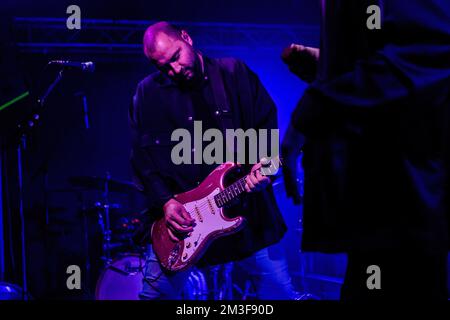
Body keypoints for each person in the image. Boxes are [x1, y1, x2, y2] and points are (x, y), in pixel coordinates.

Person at [281, 0, 450, 300]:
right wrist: (330, 67)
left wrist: (312, 110)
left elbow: (428, 52)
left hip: (402, 199)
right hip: (376, 206)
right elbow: (397, 55)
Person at [129, 21, 298, 300]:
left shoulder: (233, 74)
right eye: (163, 67)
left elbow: (266, 125)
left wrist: (263, 166)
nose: (174, 69)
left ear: (186, 37)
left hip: (247, 213)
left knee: (279, 293)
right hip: (182, 227)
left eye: (175, 56)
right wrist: (166, 202)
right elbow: (140, 158)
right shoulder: (147, 93)